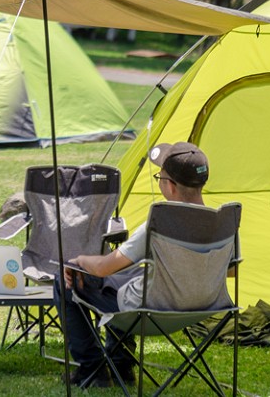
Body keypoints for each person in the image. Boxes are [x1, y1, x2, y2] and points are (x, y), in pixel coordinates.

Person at [55, 141, 211, 390]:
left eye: (159, 176)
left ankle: (92, 369)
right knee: (128, 274)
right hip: (200, 307)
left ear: (169, 185)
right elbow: (231, 270)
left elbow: (105, 267)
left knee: (68, 276)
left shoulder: (159, 221)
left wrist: (79, 261)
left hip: (151, 309)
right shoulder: (221, 220)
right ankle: (121, 366)